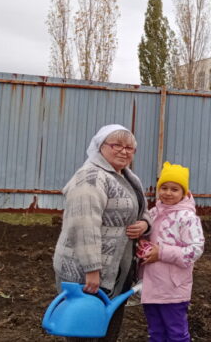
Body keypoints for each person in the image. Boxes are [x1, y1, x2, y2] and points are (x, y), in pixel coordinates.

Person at [52, 124, 150, 341]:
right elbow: (83, 225)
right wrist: (92, 269)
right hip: (86, 274)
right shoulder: (91, 177)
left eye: (129, 148)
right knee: (83, 329)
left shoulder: (127, 177)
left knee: (107, 326)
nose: (124, 151)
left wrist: (144, 224)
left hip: (116, 271)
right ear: (100, 146)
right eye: (116, 145)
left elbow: (143, 211)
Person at [137, 161, 205, 342]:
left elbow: (195, 250)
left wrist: (161, 253)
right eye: (164, 188)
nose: (167, 193)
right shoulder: (152, 213)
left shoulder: (188, 218)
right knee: (156, 333)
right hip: (151, 286)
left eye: (174, 189)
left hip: (173, 288)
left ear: (184, 192)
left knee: (176, 334)